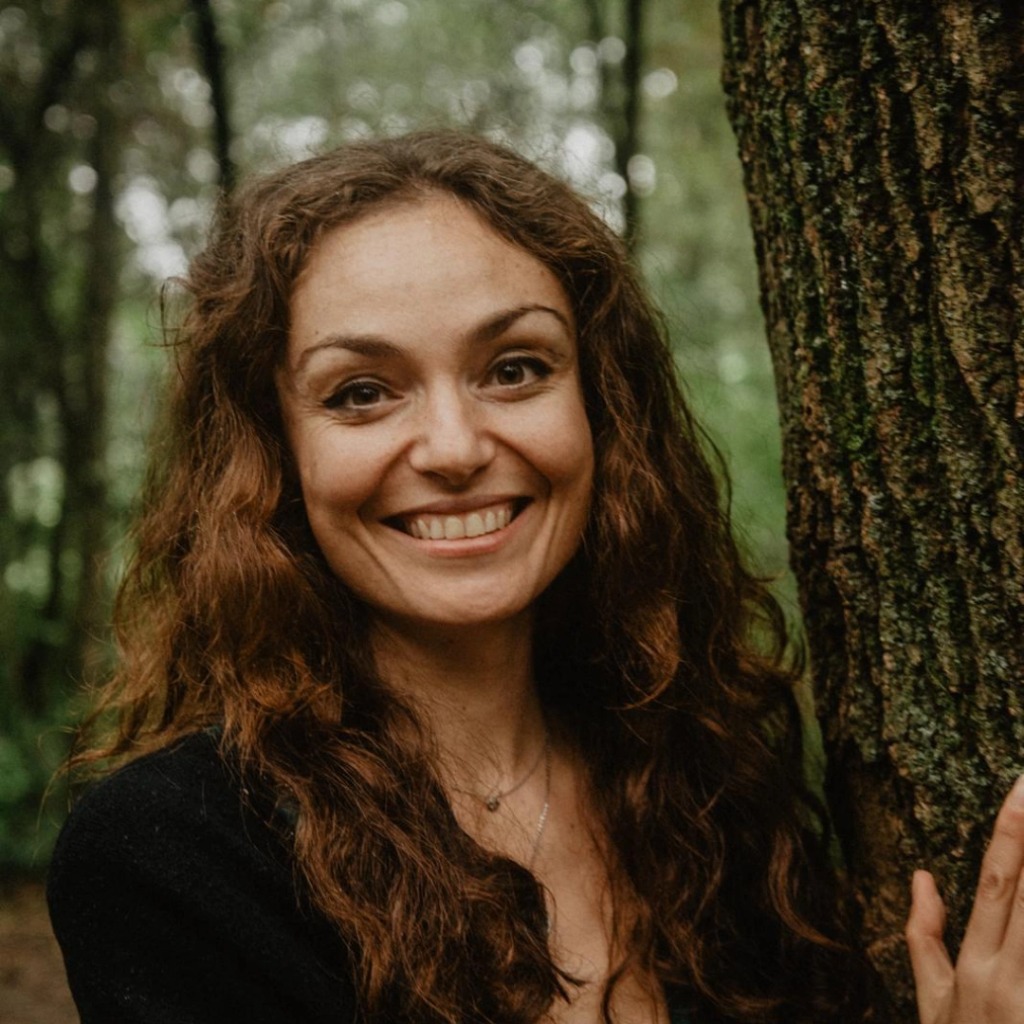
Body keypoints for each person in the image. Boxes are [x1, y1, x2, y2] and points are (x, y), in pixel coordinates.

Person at [46, 130, 1023, 1024]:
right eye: (361, 392)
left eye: (513, 368)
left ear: (601, 409)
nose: (456, 445)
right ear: (275, 455)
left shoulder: (711, 789)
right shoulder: (174, 856)